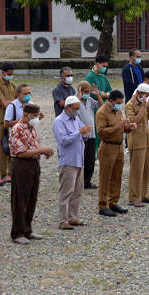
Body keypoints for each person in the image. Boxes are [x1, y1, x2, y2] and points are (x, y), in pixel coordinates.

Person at [8, 103, 54, 244]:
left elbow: (32, 146)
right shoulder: (18, 128)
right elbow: (21, 152)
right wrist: (41, 150)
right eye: (34, 116)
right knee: (20, 199)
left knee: (31, 198)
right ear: (26, 114)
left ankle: (27, 229)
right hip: (21, 165)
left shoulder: (31, 127)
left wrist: (41, 152)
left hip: (33, 164)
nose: (36, 118)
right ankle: (17, 232)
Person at [52, 95, 91, 229]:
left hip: (79, 160)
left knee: (77, 190)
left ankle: (73, 217)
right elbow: (63, 140)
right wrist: (79, 133)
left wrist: (85, 133)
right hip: (68, 161)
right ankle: (63, 220)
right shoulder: (59, 121)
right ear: (67, 108)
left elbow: (82, 132)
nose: (77, 111)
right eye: (75, 108)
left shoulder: (76, 119)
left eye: (78, 108)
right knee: (66, 191)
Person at [95, 90, 135, 217]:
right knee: (105, 177)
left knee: (117, 175)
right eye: (118, 102)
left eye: (121, 102)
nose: (120, 105)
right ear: (111, 100)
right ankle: (103, 205)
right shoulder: (101, 113)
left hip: (119, 147)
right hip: (107, 147)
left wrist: (129, 127)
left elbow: (122, 126)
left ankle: (113, 202)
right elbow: (101, 132)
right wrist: (118, 126)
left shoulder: (117, 111)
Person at [125, 83, 149, 207]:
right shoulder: (130, 105)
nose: (147, 97)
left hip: (146, 140)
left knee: (146, 170)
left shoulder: (146, 104)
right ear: (139, 93)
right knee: (136, 171)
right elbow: (133, 121)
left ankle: (145, 195)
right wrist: (144, 107)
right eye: (146, 95)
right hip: (136, 141)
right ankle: (133, 198)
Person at [0, 62, 16, 185]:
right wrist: (15, 101)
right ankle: (3, 173)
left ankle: (11, 172)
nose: (10, 76)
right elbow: (4, 104)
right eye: (9, 74)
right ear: (3, 73)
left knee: (13, 146)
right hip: (3, 120)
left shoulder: (12, 85)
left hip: (14, 120)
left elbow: (16, 101)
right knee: (3, 147)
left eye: (12, 74)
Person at [77, 81, 100, 189]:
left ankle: (87, 181)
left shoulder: (90, 100)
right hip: (80, 135)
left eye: (88, 91)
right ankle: (79, 181)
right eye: (84, 91)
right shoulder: (75, 100)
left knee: (90, 159)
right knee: (81, 159)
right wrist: (78, 97)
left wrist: (98, 95)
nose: (86, 93)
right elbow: (73, 109)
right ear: (80, 91)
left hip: (91, 134)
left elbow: (101, 106)